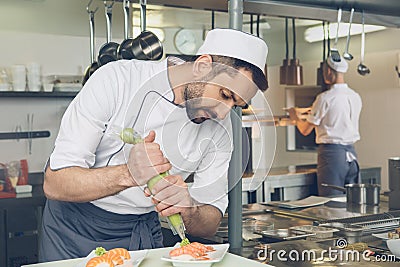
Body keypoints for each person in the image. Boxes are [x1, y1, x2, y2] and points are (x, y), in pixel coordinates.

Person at [39, 28, 269, 261]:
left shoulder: (221, 128)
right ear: (202, 66)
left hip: (141, 234)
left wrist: (189, 209)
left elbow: (211, 220)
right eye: (224, 94)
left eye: (237, 104)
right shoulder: (117, 80)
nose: (223, 113)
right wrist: (128, 174)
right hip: (74, 231)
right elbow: (55, 183)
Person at [288, 56, 362, 196]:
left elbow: (305, 130)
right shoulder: (355, 96)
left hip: (332, 156)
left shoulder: (325, 98)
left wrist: (294, 116)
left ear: (328, 71)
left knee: (331, 202)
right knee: (353, 202)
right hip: (352, 156)